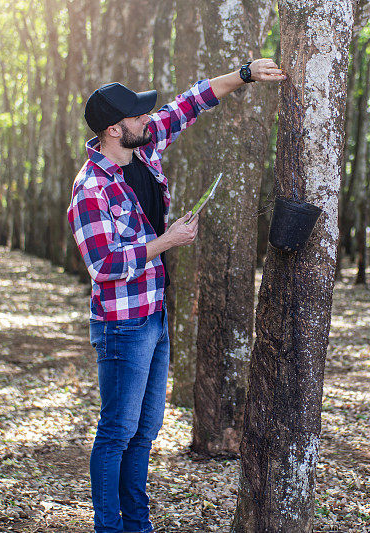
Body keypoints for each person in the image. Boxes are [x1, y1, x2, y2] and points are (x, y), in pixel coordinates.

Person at [67, 59, 285, 533]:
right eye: (138, 116)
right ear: (112, 130)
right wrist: (167, 241)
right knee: (116, 434)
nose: (148, 119)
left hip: (155, 315)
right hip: (123, 324)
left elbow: (190, 103)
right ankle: (110, 527)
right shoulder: (90, 191)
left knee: (144, 433)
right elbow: (104, 267)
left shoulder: (143, 151)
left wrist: (244, 75)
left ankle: (136, 525)